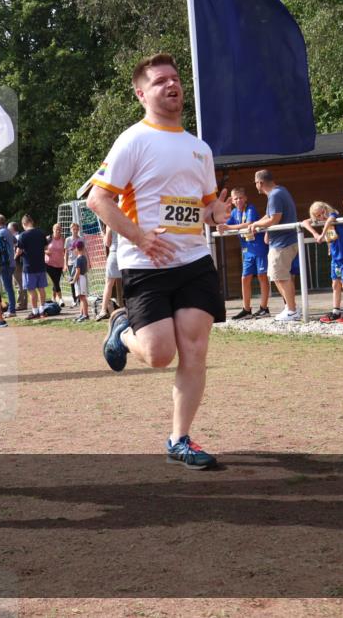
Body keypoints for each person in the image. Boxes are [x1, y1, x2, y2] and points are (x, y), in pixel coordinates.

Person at [87, 53, 229, 470]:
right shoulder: (133, 139)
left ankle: (179, 438)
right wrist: (139, 237)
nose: (172, 85)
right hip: (144, 264)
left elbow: (197, 210)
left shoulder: (200, 149)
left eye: (176, 79)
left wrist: (214, 215)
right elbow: (98, 199)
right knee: (159, 354)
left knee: (195, 349)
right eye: (160, 80)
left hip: (194, 262)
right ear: (141, 93)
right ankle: (122, 329)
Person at [246, 170, 301, 322]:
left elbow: (274, 219)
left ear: (260, 183)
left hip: (283, 243)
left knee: (281, 277)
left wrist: (257, 224)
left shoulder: (275, 195)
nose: (256, 185)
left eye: (256, 182)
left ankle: (292, 310)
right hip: (281, 242)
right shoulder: (279, 191)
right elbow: (269, 216)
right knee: (277, 276)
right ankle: (291, 307)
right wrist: (258, 225)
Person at [219, 187, 271, 319]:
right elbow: (224, 224)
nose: (238, 200)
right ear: (232, 201)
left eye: (240, 197)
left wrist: (228, 227)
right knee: (245, 278)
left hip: (259, 248)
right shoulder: (234, 212)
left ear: (245, 198)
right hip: (247, 250)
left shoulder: (250, 208)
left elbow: (248, 223)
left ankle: (264, 308)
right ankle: (246, 309)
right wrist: (221, 222)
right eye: (235, 198)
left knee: (262, 276)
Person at [302, 202, 343, 323]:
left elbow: (330, 220)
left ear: (326, 209)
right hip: (335, 257)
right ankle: (336, 311)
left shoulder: (333, 215)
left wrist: (322, 233)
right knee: (335, 285)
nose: (322, 216)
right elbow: (305, 222)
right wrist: (315, 233)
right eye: (318, 215)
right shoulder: (320, 220)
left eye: (323, 212)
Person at [16, 215, 48, 319]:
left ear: (24, 224)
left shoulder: (23, 235)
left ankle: (35, 312)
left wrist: (14, 257)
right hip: (41, 265)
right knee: (41, 289)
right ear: (32, 222)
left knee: (31, 290)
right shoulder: (41, 233)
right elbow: (46, 247)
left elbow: (19, 251)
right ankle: (42, 310)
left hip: (29, 267)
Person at [95, 223, 122, 322]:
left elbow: (107, 243)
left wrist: (104, 236)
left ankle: (103, 310)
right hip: (125, 254)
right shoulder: (125, 220)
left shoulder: (110, 223)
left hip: (114, 253)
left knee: (108, 284)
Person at [0, 215, 17, 317]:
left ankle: (12, 310)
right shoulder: (8, 231)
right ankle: (12, 309)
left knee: (8, 288)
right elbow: (16, 242)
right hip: (11, 262)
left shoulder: (0, 233)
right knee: (9, 287)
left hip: (5, 264)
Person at [8, 221, 28, 311]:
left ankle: (21, 304)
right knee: (20, 283)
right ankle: (23, 303)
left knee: (18, 283)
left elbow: (18, 251)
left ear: (12, 229)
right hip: (19, 262)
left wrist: (12, 259)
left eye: (9, 228)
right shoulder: (18, 236)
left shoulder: (16, 237)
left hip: (17, 263)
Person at [44, 223, 66, 305]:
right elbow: (42, 248)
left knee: (56, 281)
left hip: (59, 264)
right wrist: (46, 252)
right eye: (56, 229)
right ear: (53, 230)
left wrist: (65, 263)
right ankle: (60, 299)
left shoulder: (63, 239)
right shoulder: (48, 238)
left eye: (60, 229)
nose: (58, 231)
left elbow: (65, 251)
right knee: (55, 281)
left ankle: (53, 298)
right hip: (49, 263)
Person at [64, 222, 82, 307]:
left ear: (78, 230)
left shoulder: (81, 239)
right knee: (72, 281)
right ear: (71, 230)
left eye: (76, 229)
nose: (75, 231)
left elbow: (84, 251)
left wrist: (87, 262)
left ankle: (80, 298)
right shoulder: (68, 240)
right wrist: (65, 264)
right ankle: (74, 299)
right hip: (71, 263)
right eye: (73, 229)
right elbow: (66, 253)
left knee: (79, 279)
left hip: (79, 262)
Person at [71, 240, 89, 322]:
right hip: (82, 278)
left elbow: (78, 272)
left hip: (80, 279)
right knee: (81, 298)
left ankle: (85, 314)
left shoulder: (79, 259)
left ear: (77, 249)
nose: (73, 251)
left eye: (73, 249)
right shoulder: (84, 257)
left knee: (82, 297)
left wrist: (73, 280)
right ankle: (81, 314)